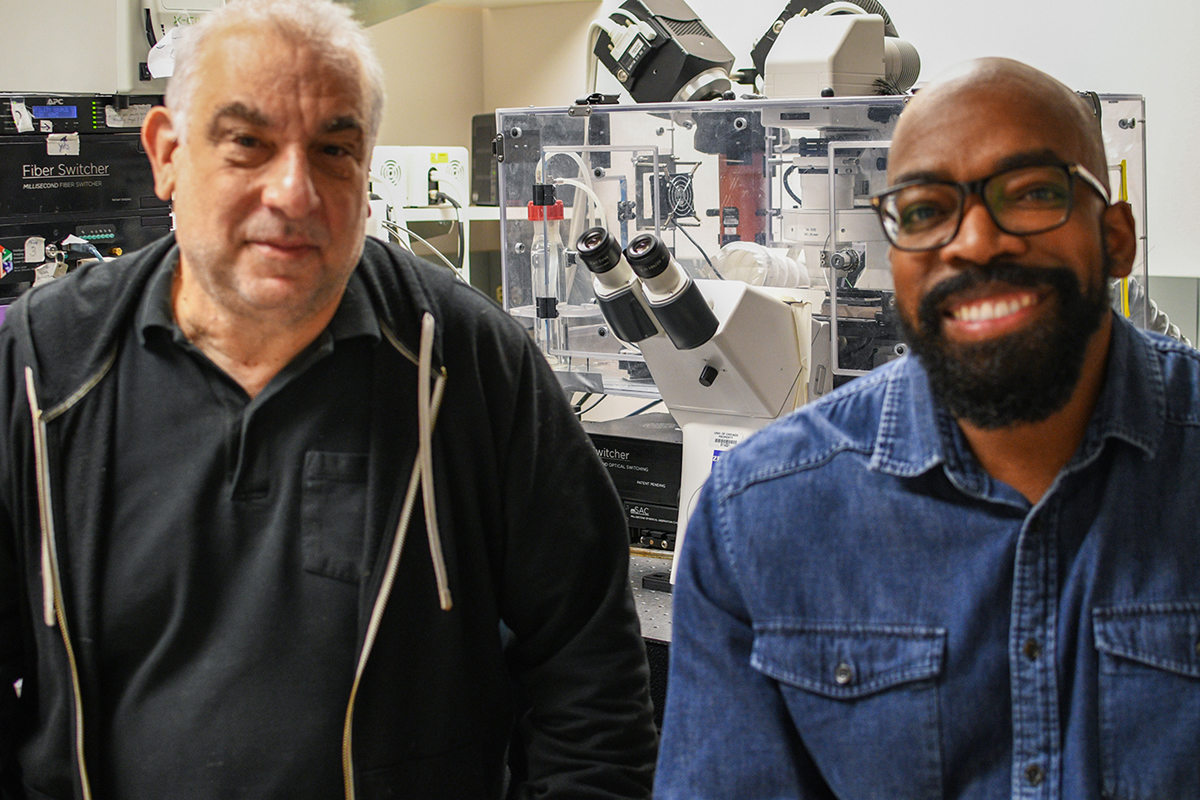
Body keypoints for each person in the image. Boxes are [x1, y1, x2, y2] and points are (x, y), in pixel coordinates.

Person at [0, 1, 657, 798]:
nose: (295, 191)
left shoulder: (461, 361)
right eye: (248, 142)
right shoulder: (47, 367)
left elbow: (591, 680)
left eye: (333, 148)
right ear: (167, 155)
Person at [655, 57, 1200, 799]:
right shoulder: (759, 519)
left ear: (1116, 237)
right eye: (923, 211)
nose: (973, 243)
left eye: (1033, 193)